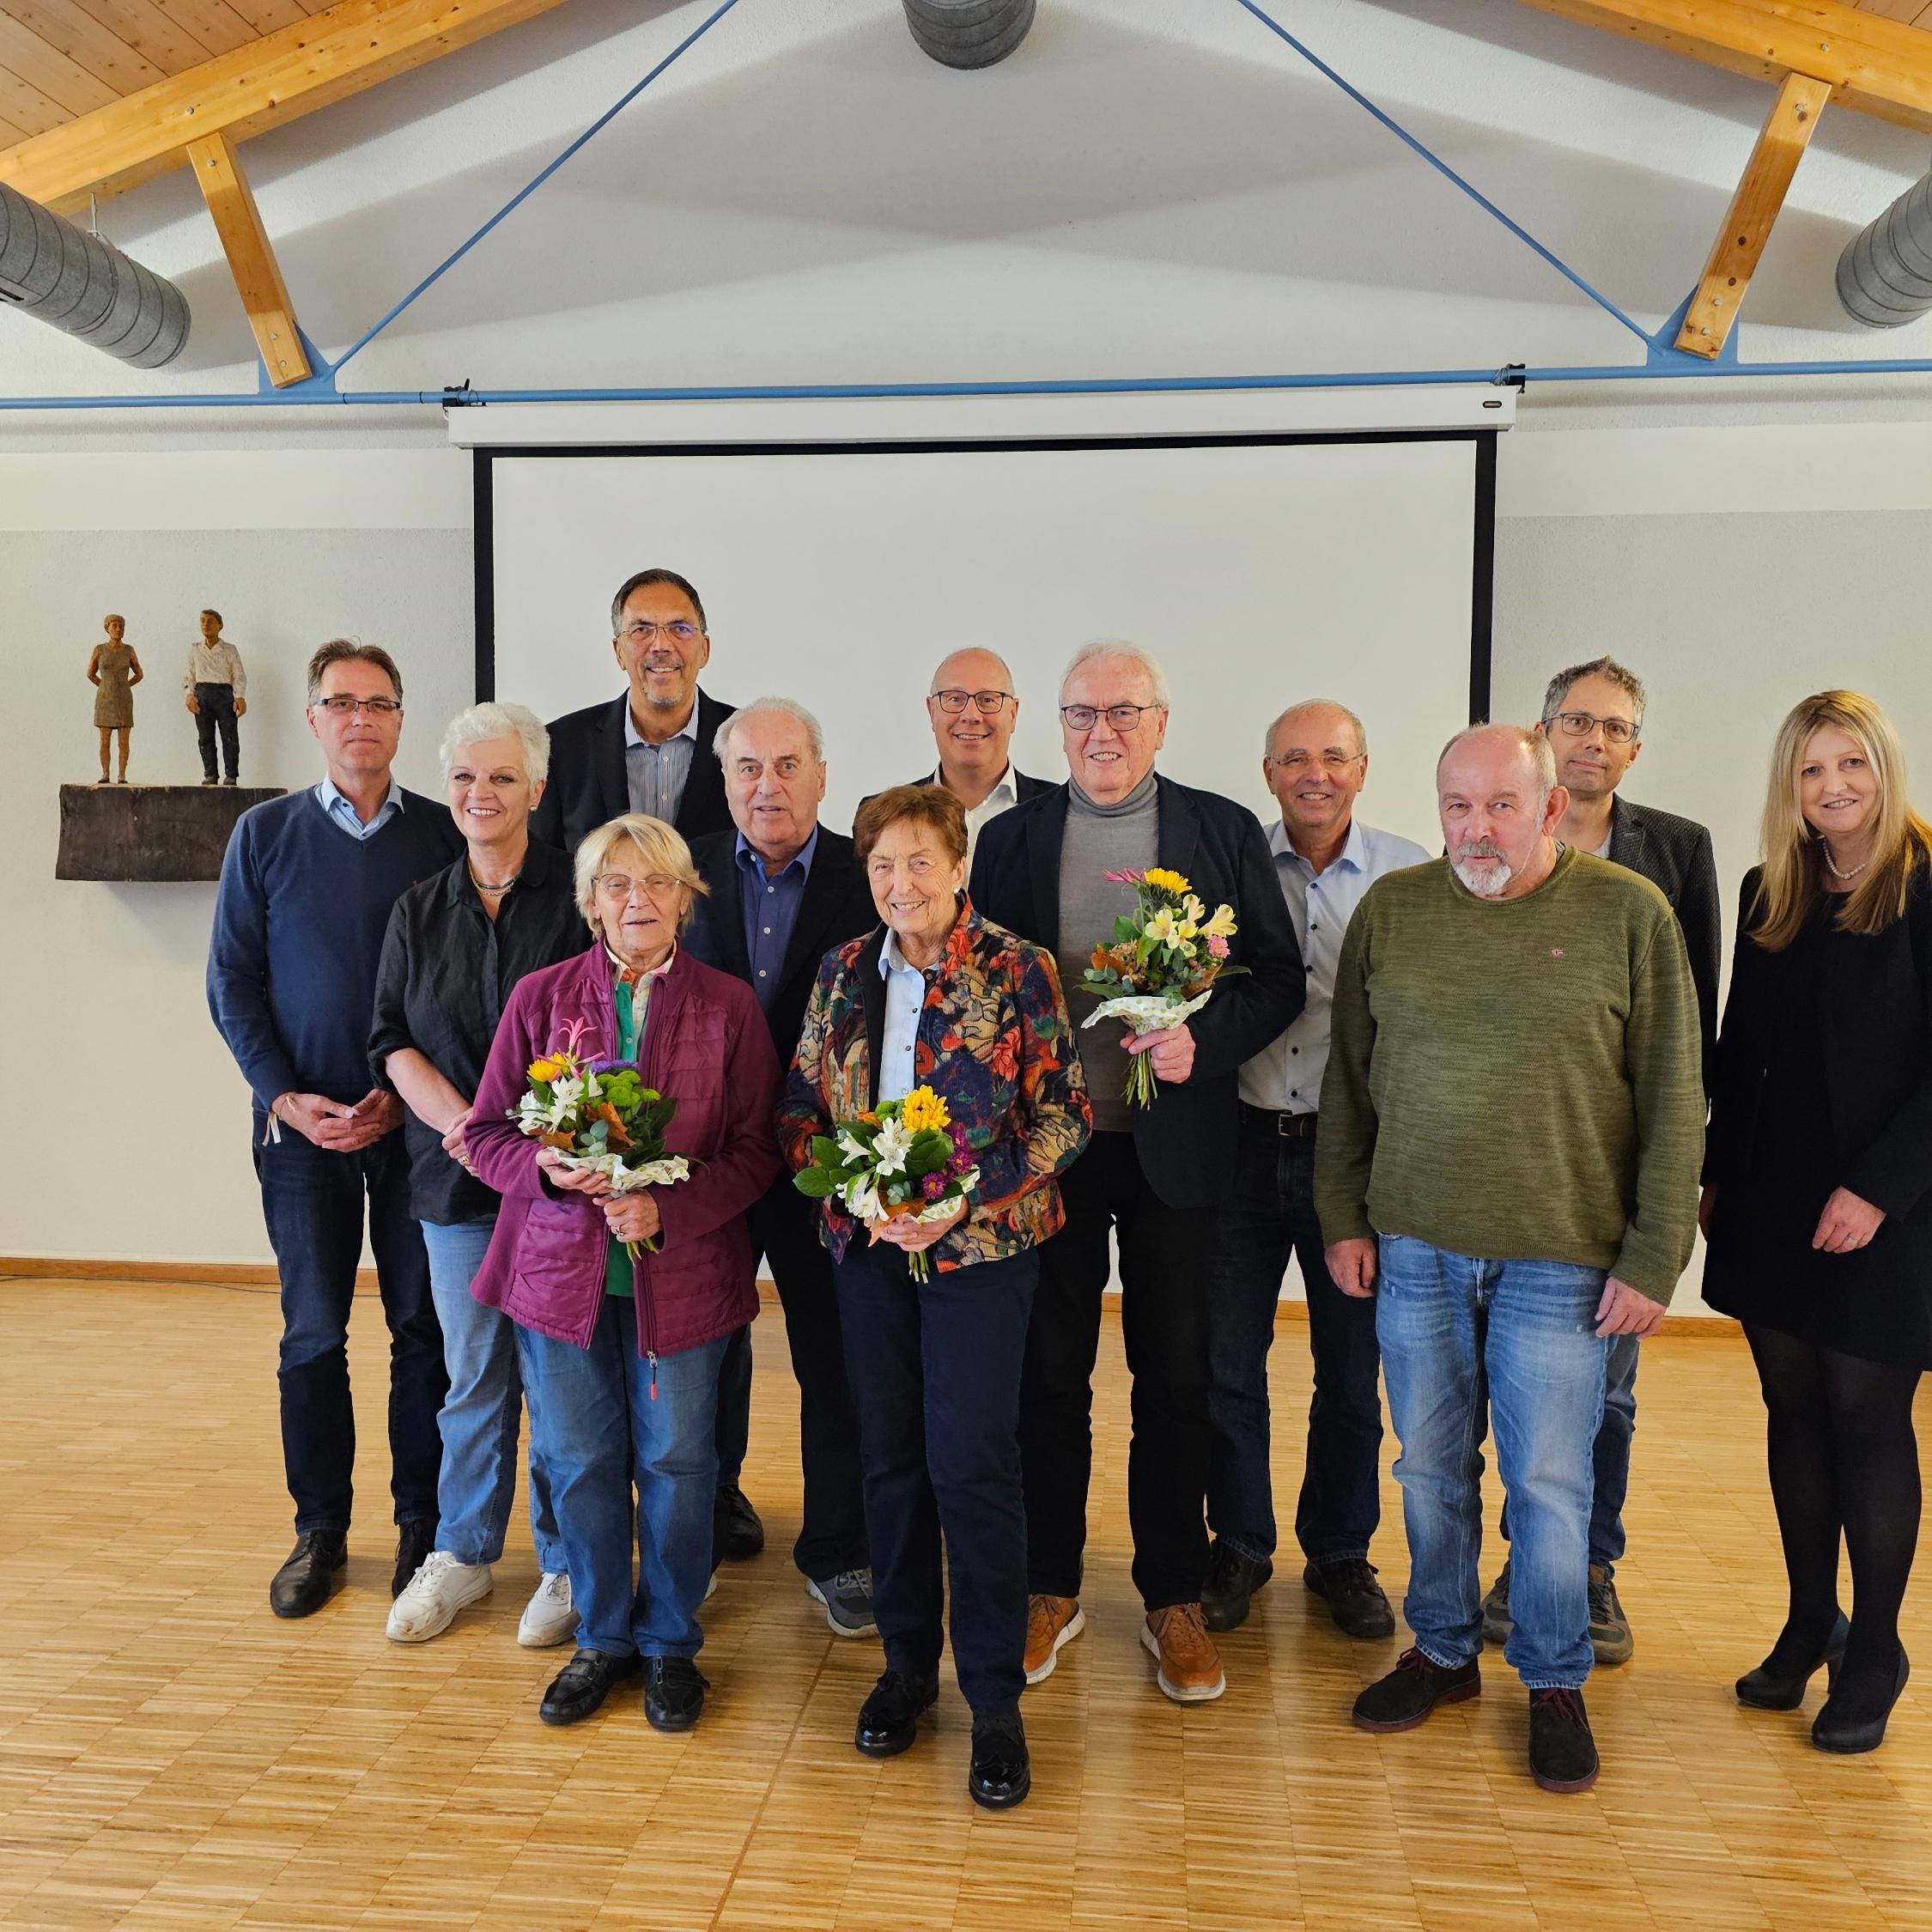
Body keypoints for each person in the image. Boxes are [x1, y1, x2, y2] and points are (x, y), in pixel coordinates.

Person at [1315, 724, 1704, 1795]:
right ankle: (1441, 1650)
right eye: (1455, 806)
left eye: (1498, 806)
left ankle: (1551, 1675)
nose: (1474, 828)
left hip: (1564, 1260)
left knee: (1547, 1485)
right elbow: (1349, 1085)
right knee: (1430, 1471)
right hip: (1417, 1247)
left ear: (1547, 807)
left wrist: (1655, 1254)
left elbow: (1676, 1100)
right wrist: (1344, 1218)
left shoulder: (1630, 912)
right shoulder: (1392, 912)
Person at [970, 641, 1304, 1705]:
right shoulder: (1012, 837)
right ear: (1053, 726)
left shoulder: (1220, 829)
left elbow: (1279, 978)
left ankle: (1172, 1593)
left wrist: (1207, 1041)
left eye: (1123, 711)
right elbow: (982, 990)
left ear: (1161, 722)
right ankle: (1047, 1584)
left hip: (1183, 1150)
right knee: (1048, 1378)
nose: (1100, 732)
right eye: (1080, 714)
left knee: (1177, 1381)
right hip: (1053, 1154)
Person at [779, 784, 1091, 1808]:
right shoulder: (839, 973)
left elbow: (1064, 1117)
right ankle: (907, 1670)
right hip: (868, 1255)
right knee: (892, 1461)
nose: (898, 882)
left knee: (972, 1465)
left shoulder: (1016, 968)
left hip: (983, 1255)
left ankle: (994, 1699)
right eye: (881, 864)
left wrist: (961, 1200)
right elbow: (797, 1110)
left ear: (958, 868)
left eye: (919, 862)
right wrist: (857, 1191)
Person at [464, 814, 781, 1732]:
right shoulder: (541, 997)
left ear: (686, 897)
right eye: (616, 884)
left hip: (683, 1280)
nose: (636, 901)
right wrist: (547, 1172)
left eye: (656, 883)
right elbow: (486, 1136)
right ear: (590, 902)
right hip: (559, 1282)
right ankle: (602, 1637)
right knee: (578, 1460)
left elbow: (761, 1152)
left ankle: (672, 1643)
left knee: (681, 1462)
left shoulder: (728, 1006)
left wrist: (666, 1209)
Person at [208, 641, 464, 1619]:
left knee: (421, 1330)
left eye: (379, 703)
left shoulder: (443, 836)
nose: (361, 718)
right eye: (341, 702)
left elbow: (462, 988)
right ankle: (320, 1532)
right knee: (312, 1332)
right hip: (301, 1131)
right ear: (313, 720)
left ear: (402, 720)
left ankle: (422, 1529)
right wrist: (284, 1097)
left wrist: (408, 1094)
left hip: (416, 1131)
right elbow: (230, 980)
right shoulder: (262, 835)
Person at [1481, 655, 1723, 1666]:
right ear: (1542, 734)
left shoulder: (1674, 852)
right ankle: (1520, 1558)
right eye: (1574, 721)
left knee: (1606, 1389)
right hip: (1497, 1161)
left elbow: (1692, 1029)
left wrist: (1682, 1179)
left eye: (1612, 726)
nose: (1592, 740)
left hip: (1611, 1174)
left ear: (1635, 746)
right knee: (1500, 1378)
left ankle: (1589, 1567)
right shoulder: (1496, 829)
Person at [1703, 690, 1932, 1755]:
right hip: (1772, 1196)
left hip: (1893, 1203)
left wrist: (1879, 1188)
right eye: (1810, 771)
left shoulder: (1927, 885)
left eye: (1851, 765)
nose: (1833, 787)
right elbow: (1740, 1048)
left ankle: (1876, 1648)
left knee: (1866, 1416)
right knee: (1790, 1408)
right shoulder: (1771, 888)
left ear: (1883, 769)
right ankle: (1808, 1622)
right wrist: (1712, 1176)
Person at [1202, 700, 1428, 1637]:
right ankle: (1241, 1545)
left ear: (1363, 769)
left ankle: (1340, 1552)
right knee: (1228, 1366)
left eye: (1333, 757)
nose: (1314, 774)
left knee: (1350, 1368)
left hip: (1355, 1159)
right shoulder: (1228, 869)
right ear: (1268, 774)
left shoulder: (1411, 874)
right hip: (1242, 1147)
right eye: (1294, 758)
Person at [370, 703, 589, 1650]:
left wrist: (527, 1142)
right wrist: (466, 1126)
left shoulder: (581, 896)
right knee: (472, 1381)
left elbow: (603, 1030)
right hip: (453, 1184)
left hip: (553, 1187)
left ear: (536, 790)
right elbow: (390, 1039)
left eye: (500, 778)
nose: (480, 794)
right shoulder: (418, 908)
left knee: (557, 1381)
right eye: (464, 778)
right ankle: (461, 1552)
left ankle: (567, 1564)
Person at [683, 699, 881, 1635]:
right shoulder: (677, 875)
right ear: (724, 783)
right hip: (705, 1162)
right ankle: (705, 1517)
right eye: (749, 767)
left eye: (789, 764)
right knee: (700, 1352)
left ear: (821, 774)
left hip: (818, 1168)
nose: (769, 785)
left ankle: (839, 1549)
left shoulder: (866, 875)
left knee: (830, 1360)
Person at [532, 568, 737, 854]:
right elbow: (543, 869)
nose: (662, 645)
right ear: (619, 652)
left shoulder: (745, 741)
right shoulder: (560, 747)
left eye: (680, 628)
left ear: (704, 650)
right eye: (642, 629)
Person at [860, 648, 1051, 861]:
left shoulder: (1059, 811)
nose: (971, 715)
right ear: (932, 711)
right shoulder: (881, 817)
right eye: (954, 699)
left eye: (988, 700)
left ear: (1013, 713)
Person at [185, 608, 247, 787]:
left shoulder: (229, 650)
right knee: (205, 737)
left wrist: (240, 696)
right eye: (202, 621)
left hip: (224, 695)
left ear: (220, 625)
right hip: (202, 695)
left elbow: (239, 675)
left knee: (229, 735)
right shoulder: (195, 650)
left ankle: (231, 775)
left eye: (210, 621)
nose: (206, 625)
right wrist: (189, 696)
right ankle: (210, 773)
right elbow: (189, 676)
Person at [87, 614, 142, 785]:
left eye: (121, 626)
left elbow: (139, 674)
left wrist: (126, 685)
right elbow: (90, 673)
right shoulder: (99, 649)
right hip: (105, 700)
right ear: (107, 628)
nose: (118, 629)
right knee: (104, 740)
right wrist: (105, 686)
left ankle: (122, 774)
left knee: (123, 741)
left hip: (124, 699)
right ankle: (105, 773)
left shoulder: (129, 650)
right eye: (115, 626)